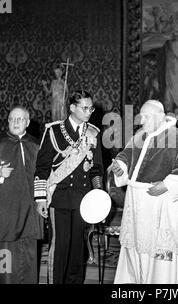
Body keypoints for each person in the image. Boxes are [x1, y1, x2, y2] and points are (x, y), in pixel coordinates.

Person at [112, 100, 178, 284]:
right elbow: (125, 156)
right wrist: (120, 167)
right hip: (139, 207)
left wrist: (166, 185)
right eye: (141, 117)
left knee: (162, 257)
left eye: (146, 117)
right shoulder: (140, 136)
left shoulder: (177, 138)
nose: (141, 121)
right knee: (137, 252)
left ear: (160, 117)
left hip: (164, 208)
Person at [34, 90, 104, 284]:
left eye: (91, 108)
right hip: (60, 198)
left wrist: (98, 196)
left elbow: (96, 169)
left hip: (83, 200)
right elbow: (42, 167)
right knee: (60, 247)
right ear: (72, 108)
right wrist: (40, 198)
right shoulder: (54, 131)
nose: (90, 111)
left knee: (78, 250)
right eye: (85, 108)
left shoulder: (93, 133)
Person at [0, 106, 42, 284]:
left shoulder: (35, 144)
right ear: (7, 121)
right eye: (12, 119)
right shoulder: (1, 143)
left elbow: (43, 174)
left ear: (27, 122)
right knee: (6, 256)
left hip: (29, 210)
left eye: (20, 119)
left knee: (29, 253)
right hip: (6, 211)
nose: (16, 122)